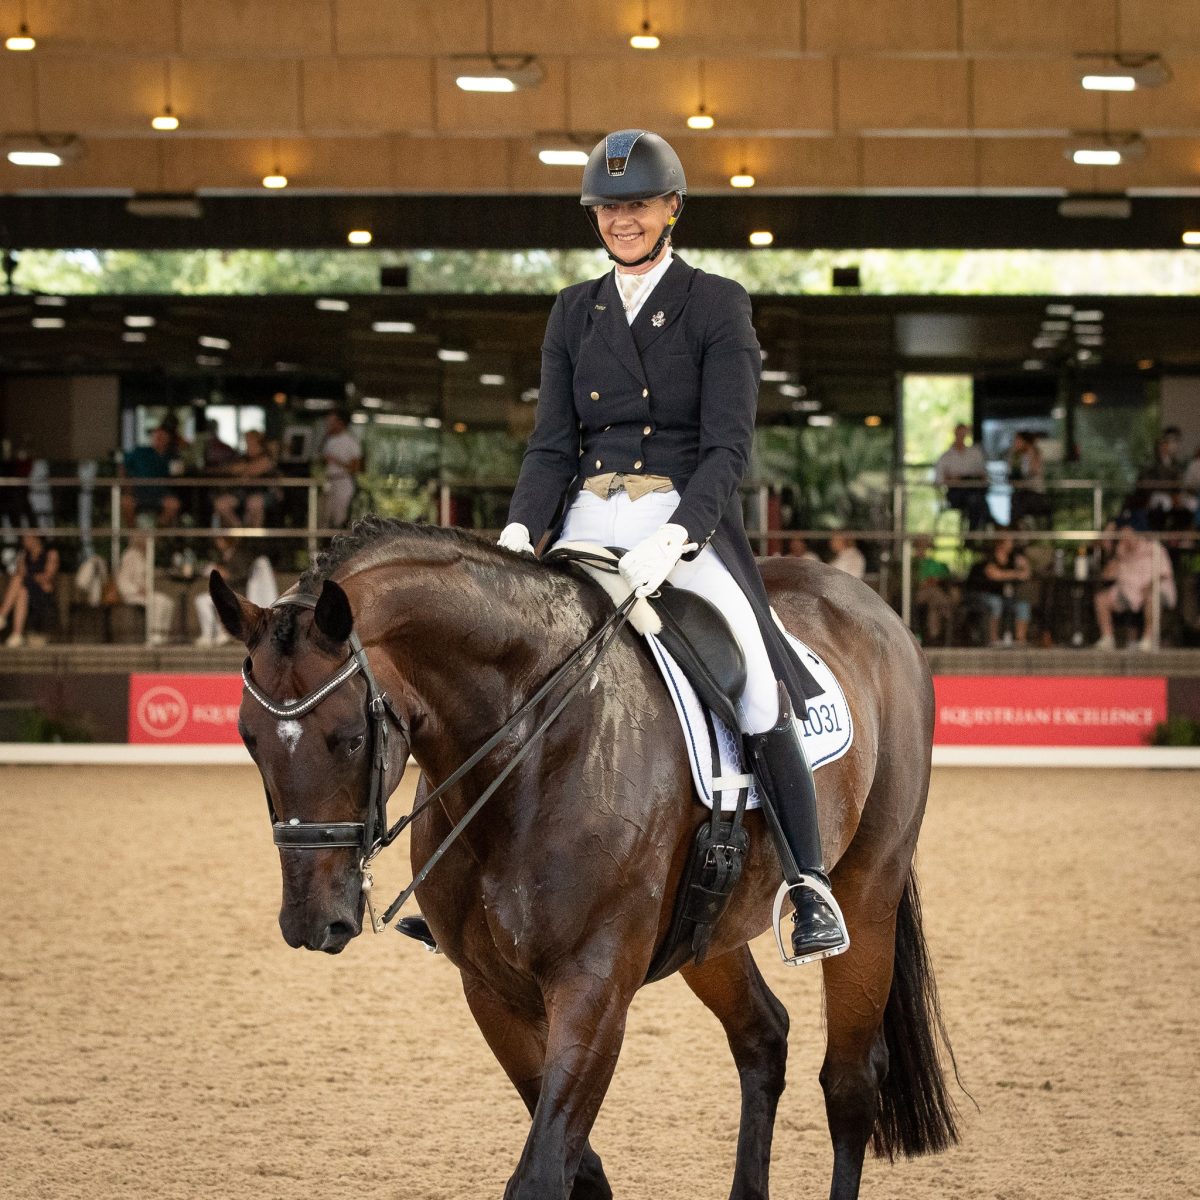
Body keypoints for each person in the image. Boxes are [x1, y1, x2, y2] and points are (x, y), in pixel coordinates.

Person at [484, 128, 848, 965]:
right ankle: (479, 876)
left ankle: (809, 883)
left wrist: (681, 538)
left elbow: (728, 446)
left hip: (684, 519)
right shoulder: (574, 311)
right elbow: (551, 444)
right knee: (505, 665)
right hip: (584, 517)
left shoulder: (717, 304)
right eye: (609, 208)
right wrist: (517, 532)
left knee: (755, 684)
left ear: (672, 209)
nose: (623, 220)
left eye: (638, 205)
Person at [1094, 521, 1176, 651]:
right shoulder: (1120, 552)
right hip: (1128, 592)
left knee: (1152, 599)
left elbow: (1164, 573)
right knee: (1101, 599)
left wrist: (1150, 586)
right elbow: (1107, 574)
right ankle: (1107, 638)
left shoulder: (1154, 548)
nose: (1126, 539)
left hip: (1154, 590)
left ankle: (1148, 640)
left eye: (1128, 535)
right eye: (1122, 536)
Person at [0, 531, 59, 647]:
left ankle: (2, 615)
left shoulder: (51, 553)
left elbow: (47, 576)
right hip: (27, 590)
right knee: (22, 591)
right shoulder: (24, 554)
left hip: (42, 593)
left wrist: (30, 577)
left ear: (36, 538)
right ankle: (17, 634)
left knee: (18, 581)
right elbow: (20, 572)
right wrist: (22, 562)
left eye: (27, 537)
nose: (24, 540)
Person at [115, 533, 174, 645]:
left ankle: (163, 635)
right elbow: (122, 580)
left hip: (145, 593)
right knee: (159, 601)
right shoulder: (130, 555)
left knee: (168, 602)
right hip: (132, 594)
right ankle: (154, 634)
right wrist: (137, 590)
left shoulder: (144, 556)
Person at [212, 430, 278, 528]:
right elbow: (232, 468)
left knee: (254, 503)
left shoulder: (266, 458)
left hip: (264, 493)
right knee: (221, 504)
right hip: (243, 493)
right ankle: (239, 530)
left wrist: (243, 470)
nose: (248, 444)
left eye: (250, 441)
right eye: (247, 441)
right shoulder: (244, 457)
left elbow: (252, 470)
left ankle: (255, 538)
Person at [980, 533, 1034, 646]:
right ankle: (993, 639)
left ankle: (1020, 639)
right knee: (996, 603)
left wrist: (1025, 566)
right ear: (1000, 544)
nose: (1012, 544)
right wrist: (1015, 574)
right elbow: (994, 574)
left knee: (1023, 604)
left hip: (1009, 594)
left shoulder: (1014, 558)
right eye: (1009, 542)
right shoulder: (991, 558)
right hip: (987, 593)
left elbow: (1026, 574)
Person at [934, 423, 989, 530]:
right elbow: (938, 480)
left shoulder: (975, 454)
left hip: (974, 490)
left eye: (963, 434)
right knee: (976, 502)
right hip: (956, 493)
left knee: (977, 500)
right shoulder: (946, 457)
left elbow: (983, 475)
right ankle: (973, 535)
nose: (961, 436)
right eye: (959, 433)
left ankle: (975, 534)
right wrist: (952, 479)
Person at [317, 409, 362, 529]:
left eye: (332, 421)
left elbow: (356, 467)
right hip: (329, 481)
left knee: (339, 518)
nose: (329, 424)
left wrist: (337, 461)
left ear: (340, 422)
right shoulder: (328, 440)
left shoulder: (351, 441)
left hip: (343, 481)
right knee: (324, 517)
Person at [1007, 430, 1049, 528]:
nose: (1015, 443)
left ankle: (1016, 530)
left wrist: (1030, 450)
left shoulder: (1035, 454)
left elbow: (1033, 471)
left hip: (1035, 493)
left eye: (1018, 440)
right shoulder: (1015, 456)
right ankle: (1016, 531)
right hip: (1020, 493)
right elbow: (1012, 476)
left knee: (1019, 502)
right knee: (1016, 500)